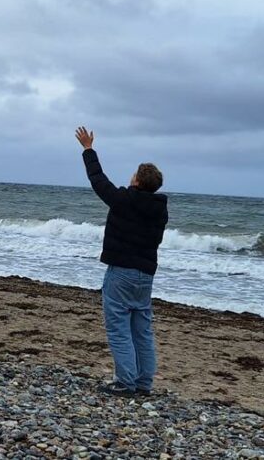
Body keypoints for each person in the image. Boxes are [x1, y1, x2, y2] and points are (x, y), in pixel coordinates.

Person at [75, 126, 168, 398]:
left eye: (134, 175)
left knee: (118, 328)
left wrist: (88, 149)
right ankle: (143, 383)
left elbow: (98, 181)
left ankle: (126, 382)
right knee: (142, 329)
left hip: (121, 273)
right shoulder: (160, 208)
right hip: (145, 275)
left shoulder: (124, 200)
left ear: (137, 180)